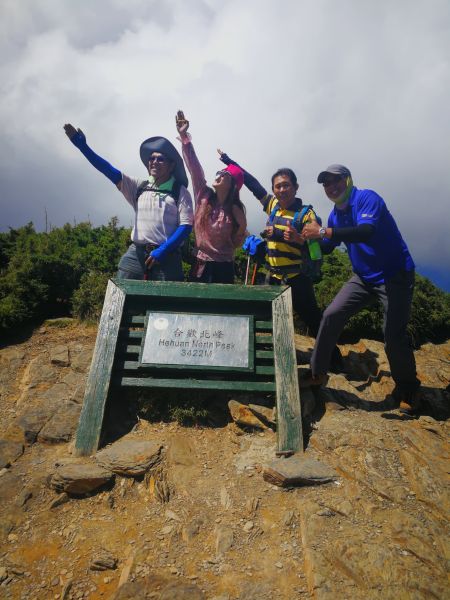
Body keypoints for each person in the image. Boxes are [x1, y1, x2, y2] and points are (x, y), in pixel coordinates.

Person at [301, 164, 421, 415]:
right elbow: (327, 247)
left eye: (335, 181)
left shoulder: (367, 198)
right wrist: (303, 239)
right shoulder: (335, 214)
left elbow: (366, 232)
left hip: (394, 276)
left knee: (393, 335)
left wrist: (322, 231)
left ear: (348, 180)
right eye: (326, 184)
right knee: (331, 315)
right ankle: (317, 373)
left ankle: (409, 390)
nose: (331, 187)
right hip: (364, 277)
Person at [217, 150, 343, 369]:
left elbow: (321, 249)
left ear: (295, 187)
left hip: (297, 278)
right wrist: (231, 163)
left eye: (286, 185)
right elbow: (253, 184)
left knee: (313, 319)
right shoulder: (272, 206)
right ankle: (263, 358)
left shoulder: (307, 215)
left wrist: (300, 239)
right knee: (264, 316)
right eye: (278, 186)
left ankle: (334, 361)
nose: (282, 190)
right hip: (272, 276)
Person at [63, 123, 193, 281]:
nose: (154, 161)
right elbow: (107, 169)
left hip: (169, 257)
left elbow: (186, 226)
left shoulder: (180, 192)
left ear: (172, 165)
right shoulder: (139, 187)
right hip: (135, 255)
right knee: (122, 296)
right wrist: (83, 147)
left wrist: (164, 250)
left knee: (166, 304)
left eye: (160, 159)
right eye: (151, 158)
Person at [175, 111, 247, 283]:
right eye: (219, 172)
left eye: (225, 174)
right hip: (200, 265)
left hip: (224, 269)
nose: (219, 174)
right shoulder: (204, 196)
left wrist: (242, 225)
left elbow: (236, 244)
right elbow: (194, 169)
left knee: (221, 309)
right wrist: (184, 137)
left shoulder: (235, 210)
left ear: (233, 185)